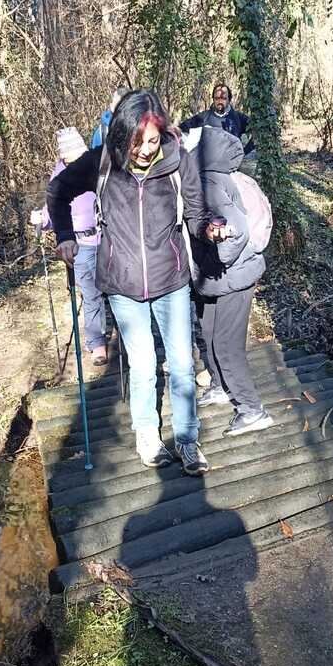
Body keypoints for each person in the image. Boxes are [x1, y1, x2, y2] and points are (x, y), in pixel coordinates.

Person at [47, 90, 230, 475]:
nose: (145, 150)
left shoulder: (177, 160)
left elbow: (196, 214)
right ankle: (147, 435)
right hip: (121, 282)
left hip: (171, 279)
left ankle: (187, 439)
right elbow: (58, 190)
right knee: (144, 364)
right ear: (121, 134)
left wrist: (209, 229)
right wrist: (64, 234)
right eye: (137, 142)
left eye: (152, 140)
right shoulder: (101, 163)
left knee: (181, 363)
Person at [187, 125, 274, 435]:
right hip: (217, 278)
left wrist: (217, 260)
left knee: (225, 345)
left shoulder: (209, 182)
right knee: (210, 334)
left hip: (232, 276)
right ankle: (221, 387)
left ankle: (252, 410)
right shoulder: (220, 175)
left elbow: (236, 231)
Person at [42, 127, 107, 366]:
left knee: (115, 291)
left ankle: (125, 338)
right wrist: (43, 221)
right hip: (80, 245)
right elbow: (52, 209)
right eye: (72, 158)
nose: (77, 161)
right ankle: (97, 344)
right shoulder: (60, 176)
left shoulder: (95, 165)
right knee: (91, 294)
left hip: (106, 238)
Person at [180, 83, 254, 153]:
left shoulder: (239, 118)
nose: (220, 101)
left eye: (223, 98)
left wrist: (244, 152)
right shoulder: (203, 117)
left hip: (232, 160)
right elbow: (180, 129)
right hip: (208, 161)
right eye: (217, 98)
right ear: (213, 99)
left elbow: (257, 131)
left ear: (229, 99)